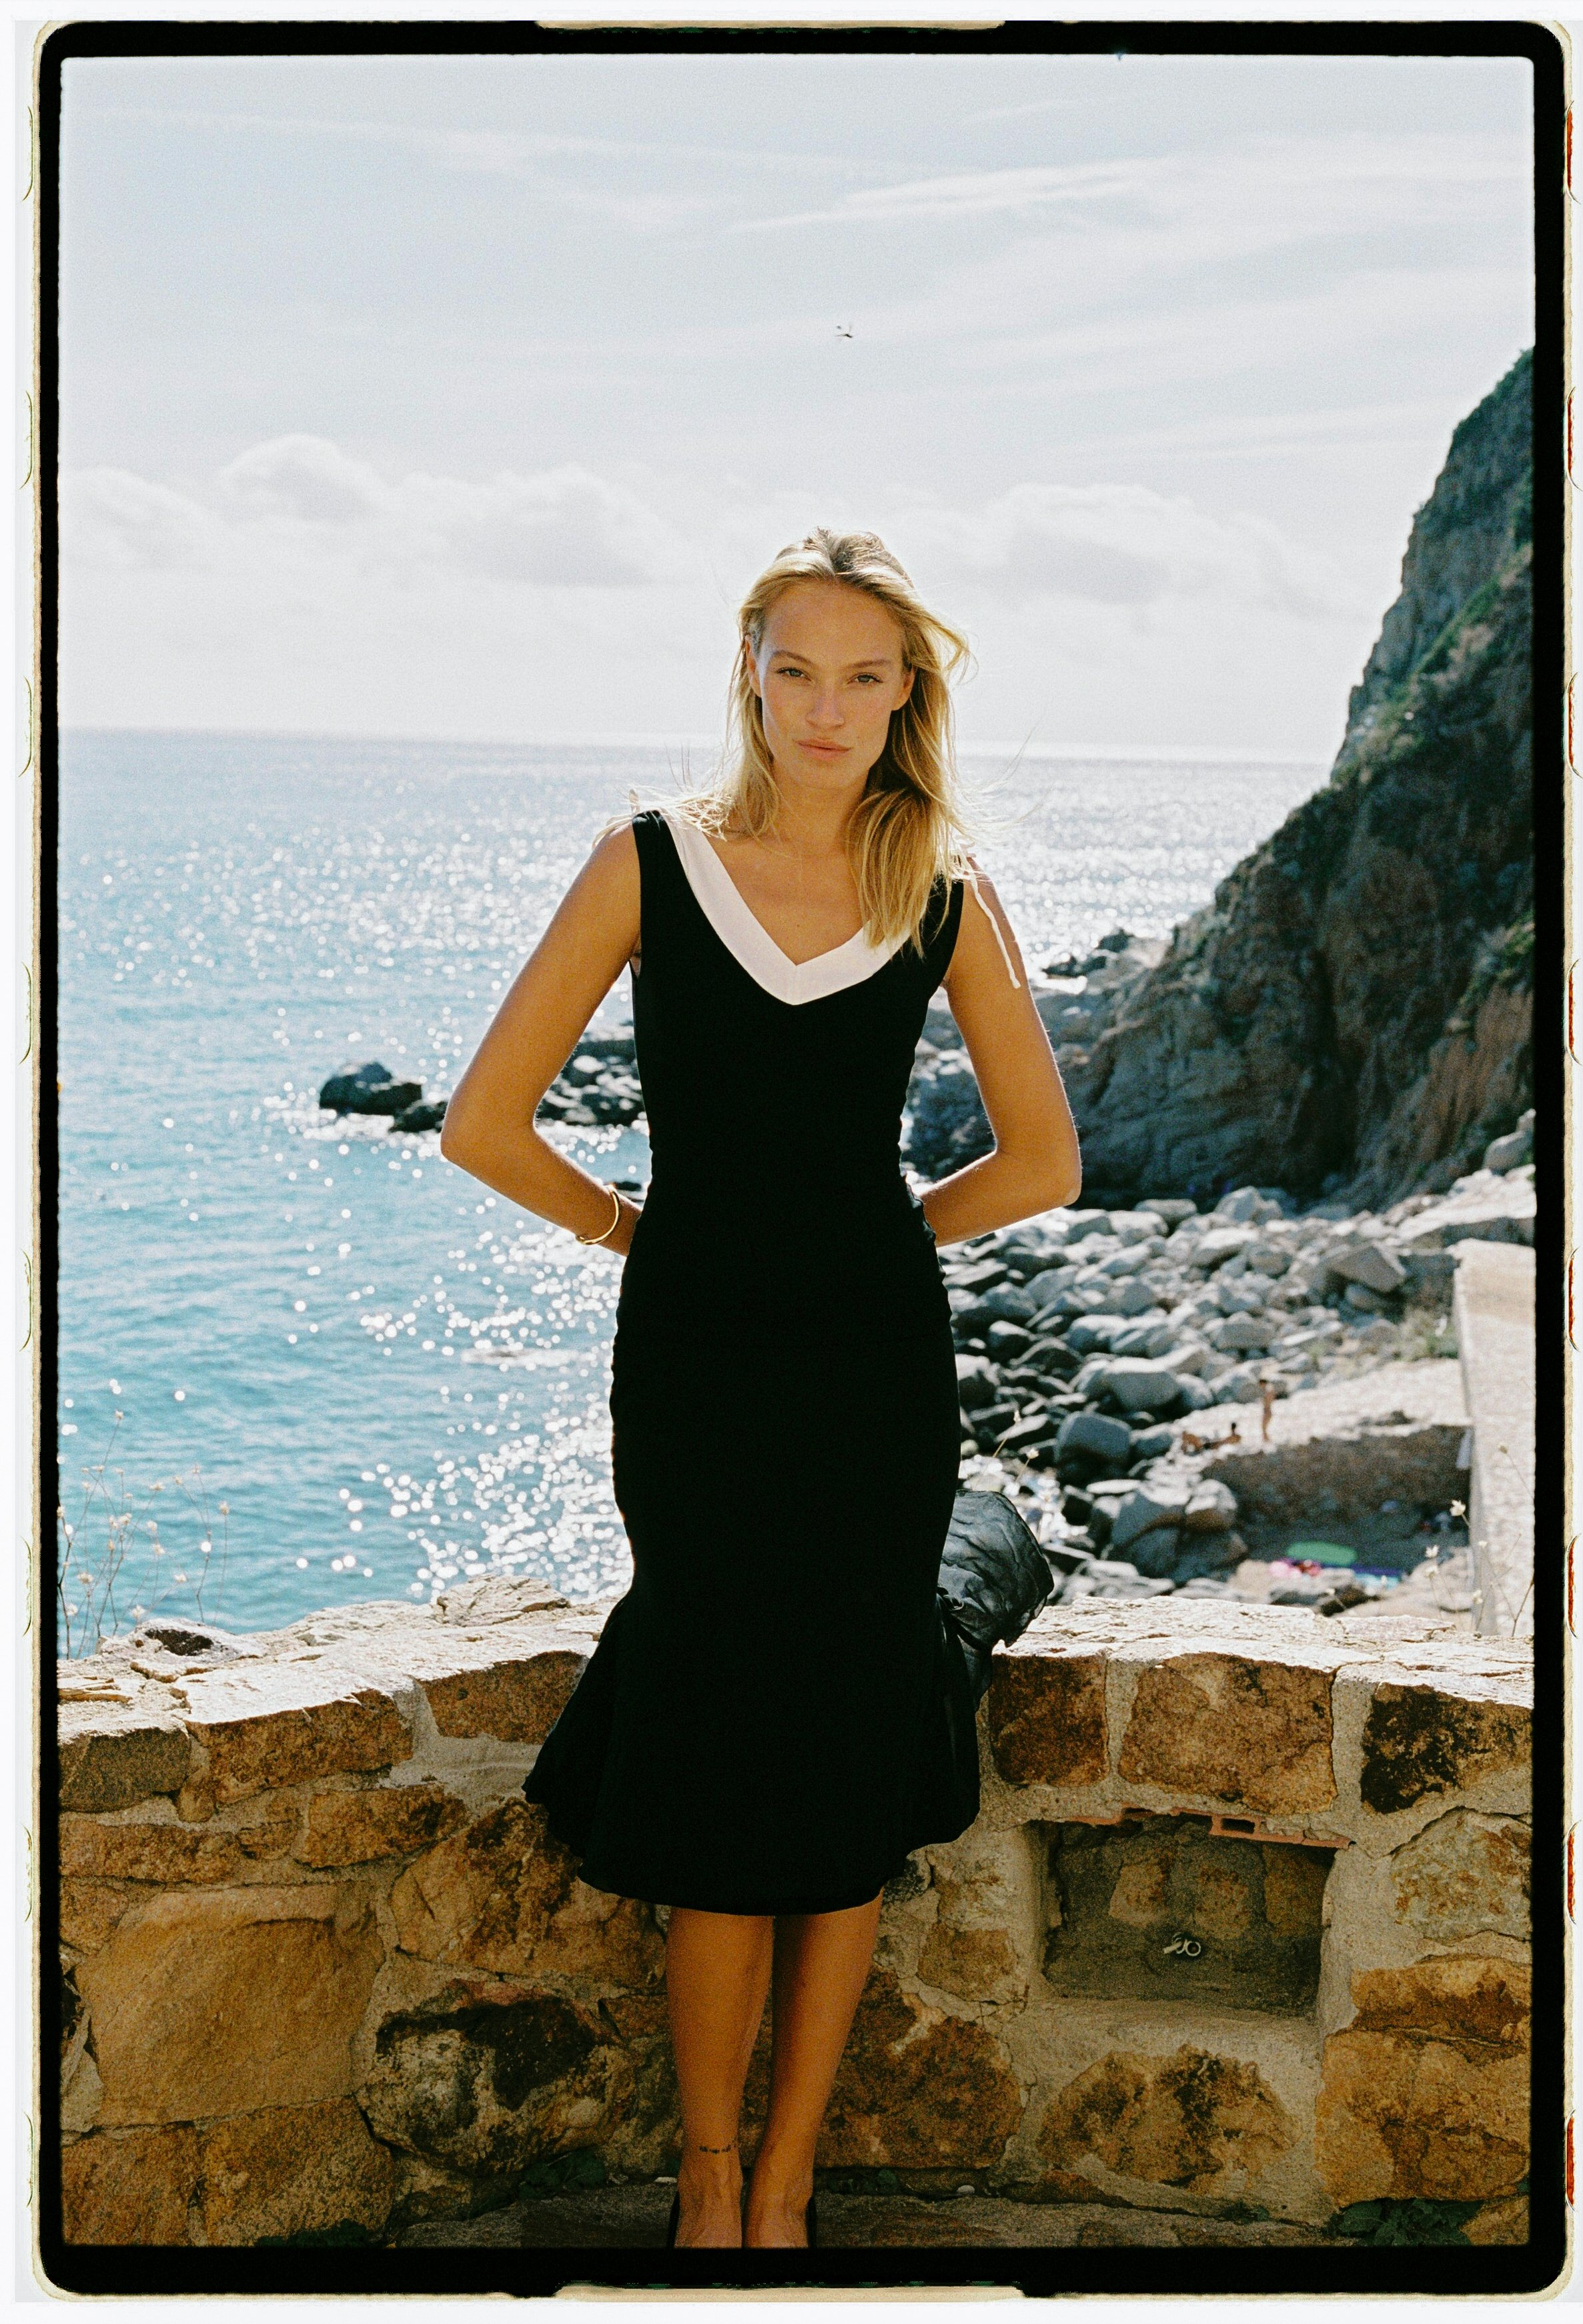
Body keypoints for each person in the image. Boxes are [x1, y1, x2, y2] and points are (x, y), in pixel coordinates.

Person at [440, 528, 1081, 2251]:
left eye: (865, 675)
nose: (826, 708)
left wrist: (881, 1240)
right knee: (726, 1735)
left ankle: (784, 2184)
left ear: (909, 693)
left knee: (846, 1746)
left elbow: (1045, 1160)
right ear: (749, 672)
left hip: (873, 1381)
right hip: (700, 1381)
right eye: (796, 669)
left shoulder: (944, 888)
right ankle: (708, 2178)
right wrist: (634, 1229)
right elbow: (483, 1124)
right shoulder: (646, 862)